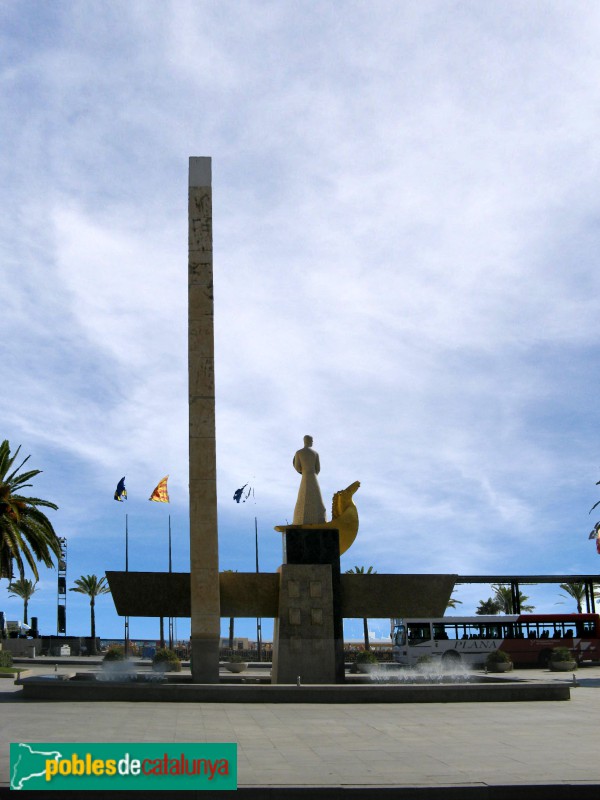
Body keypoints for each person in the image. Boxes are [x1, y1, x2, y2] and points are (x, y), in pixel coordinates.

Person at [292, 435, 327, 525]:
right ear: (309, 441)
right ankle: (319, 518)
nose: (312, 442)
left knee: (303, 497)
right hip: (313, 478)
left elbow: (297, 467)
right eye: (312, 440)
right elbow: (318, 469)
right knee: (317, 498)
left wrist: (303, 471)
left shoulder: (299, 453)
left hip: (305, 477)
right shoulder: (315, 453)